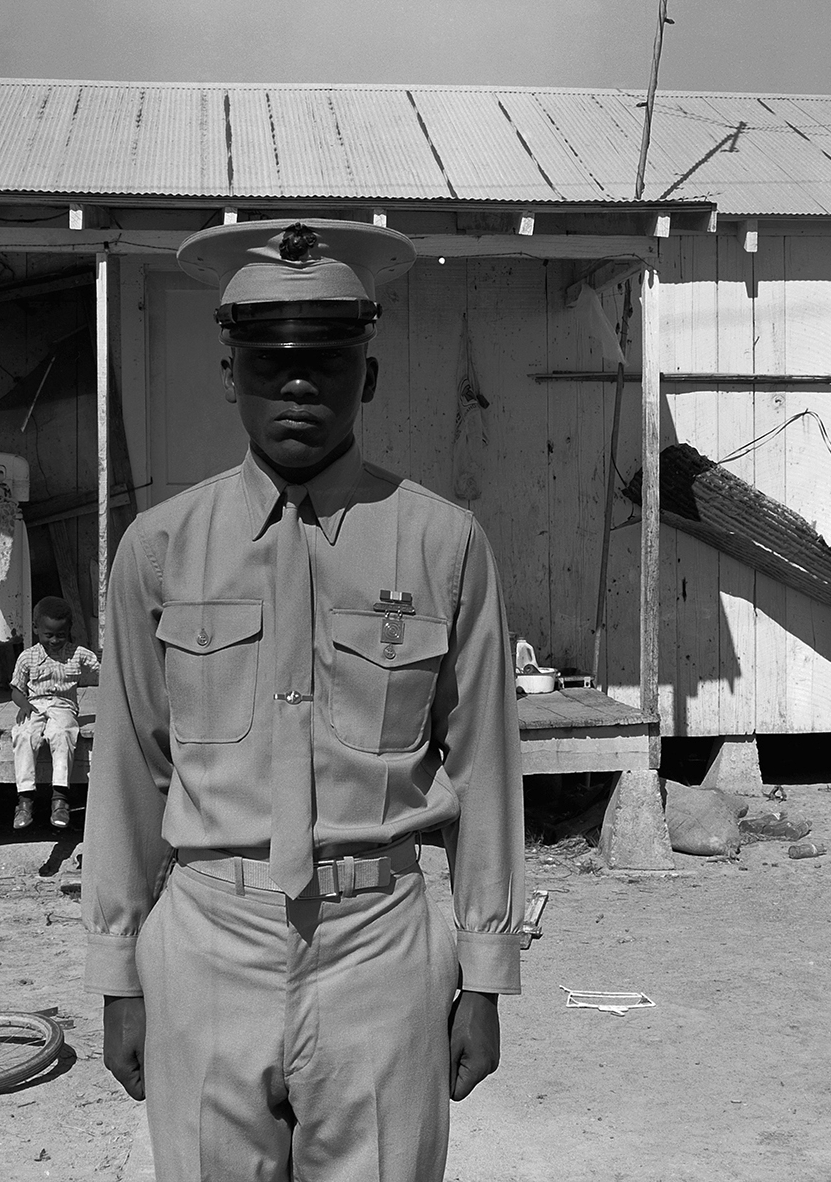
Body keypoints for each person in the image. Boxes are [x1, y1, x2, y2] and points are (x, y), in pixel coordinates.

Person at [82, 218, 525, 1182]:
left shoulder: (442, 545)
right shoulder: (159, 550)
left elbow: (484, 767)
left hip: (380, 949)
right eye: (271, 360)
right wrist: (118, 970)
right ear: (228, 370)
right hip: (206, 948)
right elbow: (126, 766)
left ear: (365, 374)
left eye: (327, 361)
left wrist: (484, 971)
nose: (298, 385)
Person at [10, 595, 99, 830]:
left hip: (63, 706)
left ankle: (60, 799)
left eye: (61, 634)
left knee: (62, 734)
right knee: (24, 734)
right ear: (36, 629)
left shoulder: (77, 654)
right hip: (34, 704)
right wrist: (24, 705)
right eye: (48, 635)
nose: (55, 640)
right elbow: (16, 689)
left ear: (69, 630)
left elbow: (105, 667)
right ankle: (25, 801)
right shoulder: (27, 657)